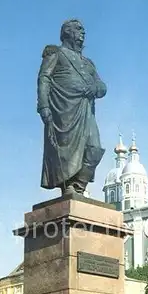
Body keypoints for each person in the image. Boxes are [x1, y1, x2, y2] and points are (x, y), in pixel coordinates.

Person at [37, 19, 107, 195]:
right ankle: (67, 186)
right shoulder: (56, 53)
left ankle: (79, 186)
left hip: (85, 109)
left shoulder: (88, 63)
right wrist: (44, 105)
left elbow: (102, 85)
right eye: (78, 29)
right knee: (66, 148)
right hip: (64, 108)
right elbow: (44, 78)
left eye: (83, 30)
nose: (83, 32)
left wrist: (95, 88)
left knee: (94, 148)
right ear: (67, 32)